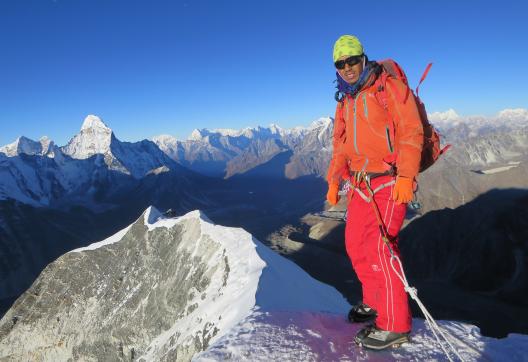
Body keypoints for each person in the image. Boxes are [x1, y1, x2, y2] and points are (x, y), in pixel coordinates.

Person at [326, 35, 424, 350]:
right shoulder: (346, 100)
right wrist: (334, 179)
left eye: (352, 60)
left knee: (382, 248)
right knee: (355, 244)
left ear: (364, 58)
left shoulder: (388, 88)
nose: (347, 67)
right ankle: (374, 301)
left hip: (390, 180)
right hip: (360, 183)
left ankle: (395, 325)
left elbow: (411, 130)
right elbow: (341, 145)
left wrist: (407, 175)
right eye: (340, 63)